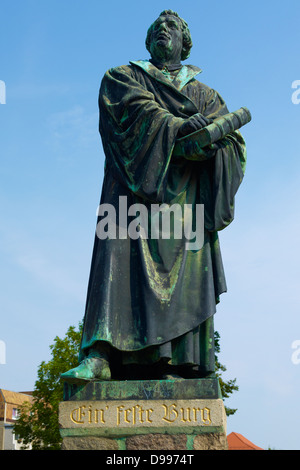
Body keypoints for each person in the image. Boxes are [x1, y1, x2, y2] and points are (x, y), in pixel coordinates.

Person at [61, 10, 246, 383]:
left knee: (184, 276)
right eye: (157, 28)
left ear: (184, 42)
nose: (164, 30)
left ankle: (175, 364)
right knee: (115, 263)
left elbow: (233, 145)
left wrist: (213, 147)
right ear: (148, 42)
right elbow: (128, 112)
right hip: (129, 195)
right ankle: (101, 357)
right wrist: (177, 127)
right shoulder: (123, 77)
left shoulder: (206, 96)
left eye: (172, 26)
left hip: (184, 204)